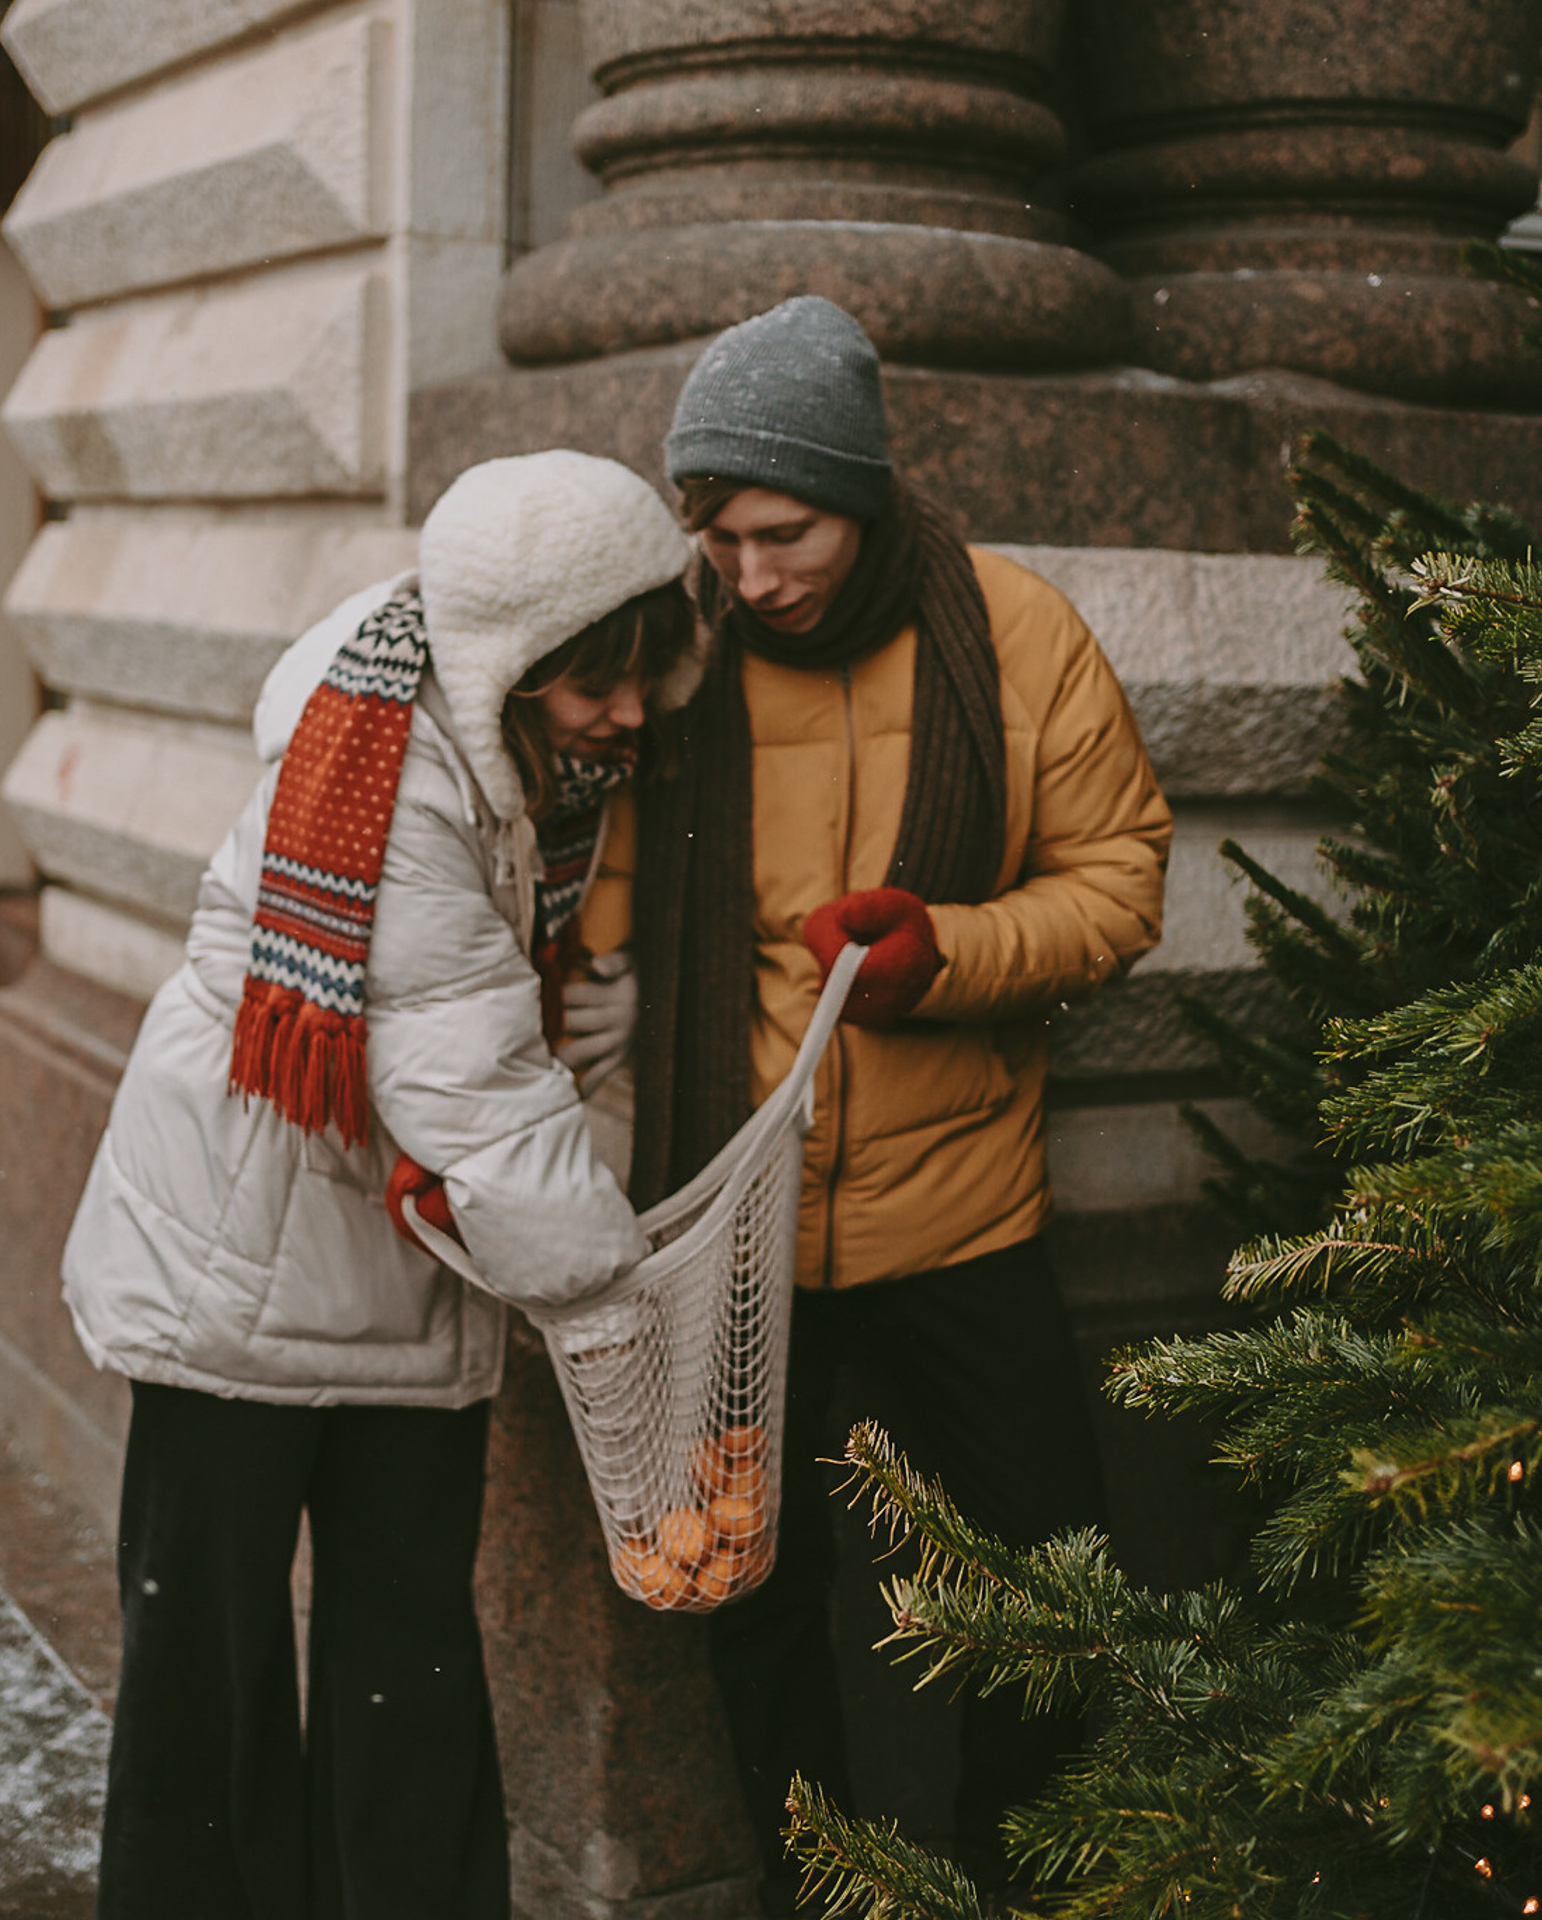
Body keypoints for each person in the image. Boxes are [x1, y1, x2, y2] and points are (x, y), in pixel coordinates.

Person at [60, 449, 697, 1919]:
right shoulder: (394, 776)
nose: (630, 710)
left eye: (643, 669)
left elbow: (488, 1013)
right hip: (238, 1251)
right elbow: (471, 1082)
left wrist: (602, 1002)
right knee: (211, 1661)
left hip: (400, 1252)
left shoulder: (514, 756)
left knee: (406, 1651)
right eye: (596, 677)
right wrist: (618, 1301)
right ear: (509, 658)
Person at [632, 297, 1173, 1909]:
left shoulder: (1018, 631)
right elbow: (597, 913)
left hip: (963, 1212)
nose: (750, 575)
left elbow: (1121, 881)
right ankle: (824, 1893)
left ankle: (1018, 1879)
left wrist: (950, 954)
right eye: (720, 537)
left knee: (1045, 1572)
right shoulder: (680, 652)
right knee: (751, 1594)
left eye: (783, 532)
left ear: (858, 498)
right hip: (739, 1223)